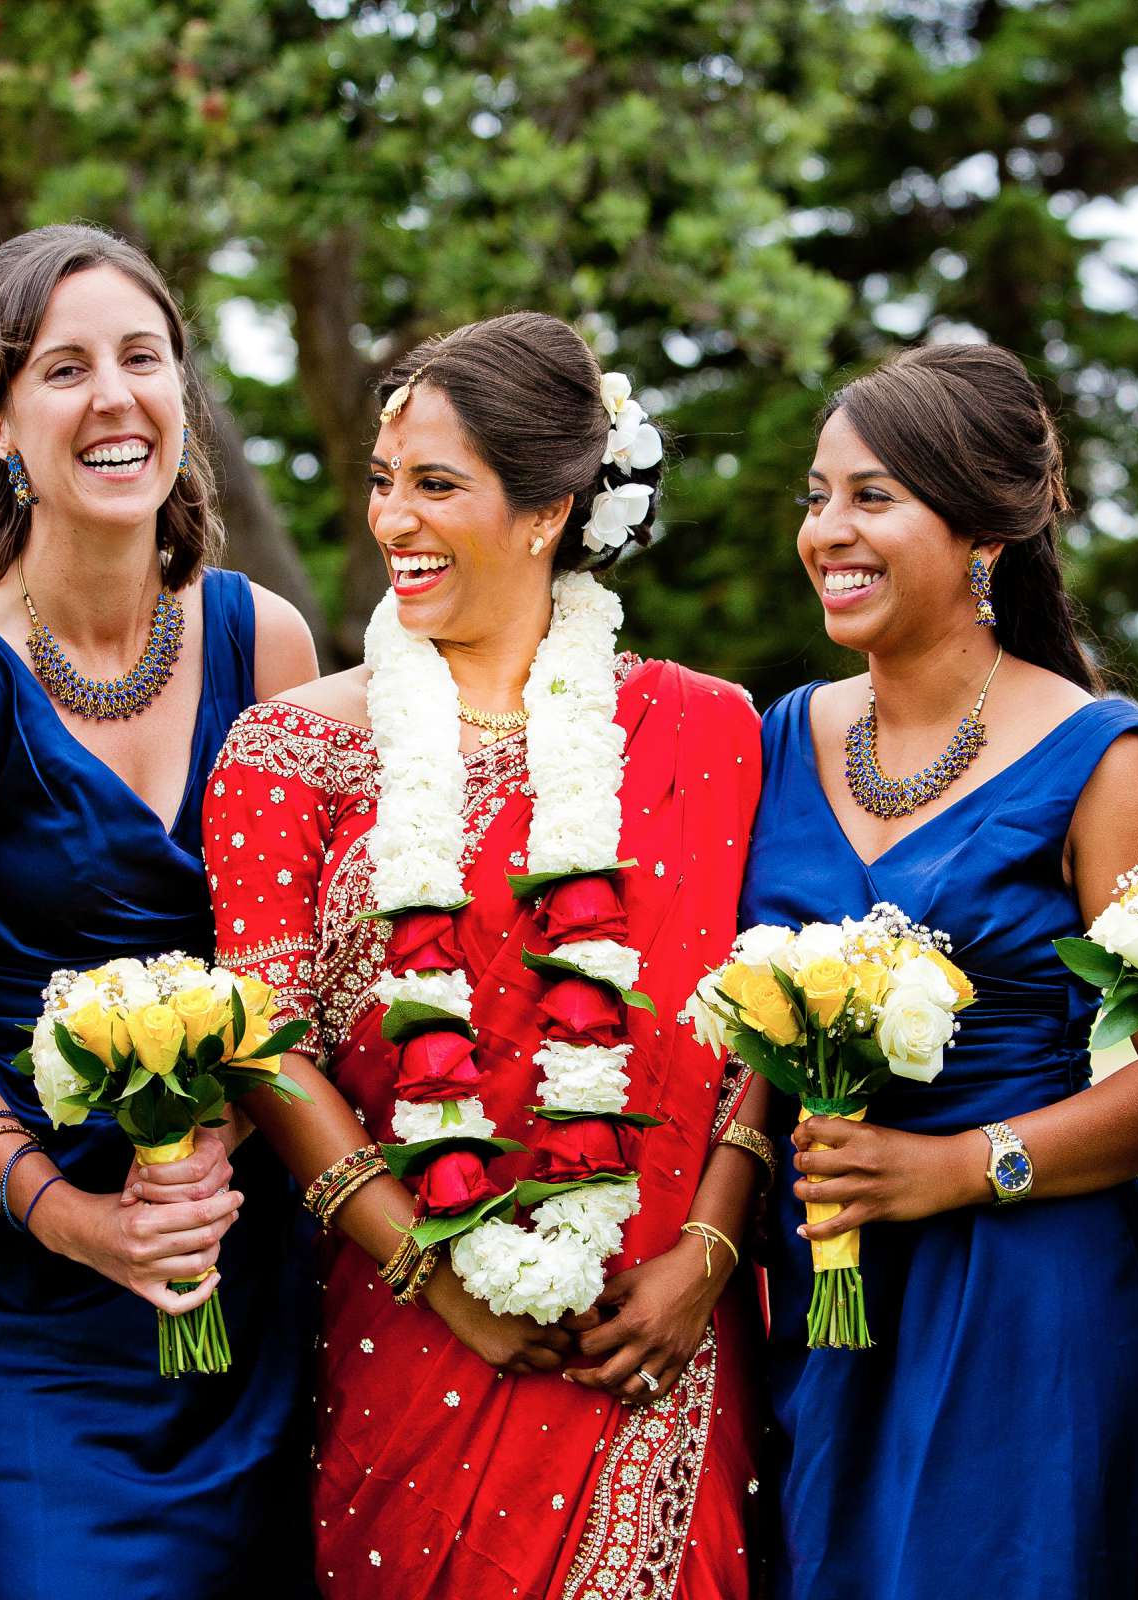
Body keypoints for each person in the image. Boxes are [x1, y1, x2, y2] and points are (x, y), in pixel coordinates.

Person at [742, 343, 1138, 1598]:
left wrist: (956, 1167)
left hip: (1020, 1288)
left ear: (983, 532)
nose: (829, 531)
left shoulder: (1104, 760)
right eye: (818, 497)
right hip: (818, 1285)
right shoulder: (783, 734)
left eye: (873, 497)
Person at [203, 312, 765, 1598]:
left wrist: (714, 1251)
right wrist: (435, 1279)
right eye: (384, 483)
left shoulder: (707, 730)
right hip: (411, 1332)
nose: (393, 519)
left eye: (438, 486)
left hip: (660, 1333)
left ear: (548, 510)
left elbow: (759, 1023)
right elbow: (266, 1045)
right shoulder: (287, 753)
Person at [0, 222, 320, 1598]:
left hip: (239, 1242)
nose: (115, 398)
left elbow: (295, 956)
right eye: (65, 370)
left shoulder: (268, 640)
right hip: (37, 1284)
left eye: (144, 358)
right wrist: (69, 1214)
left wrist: (225, 1124)